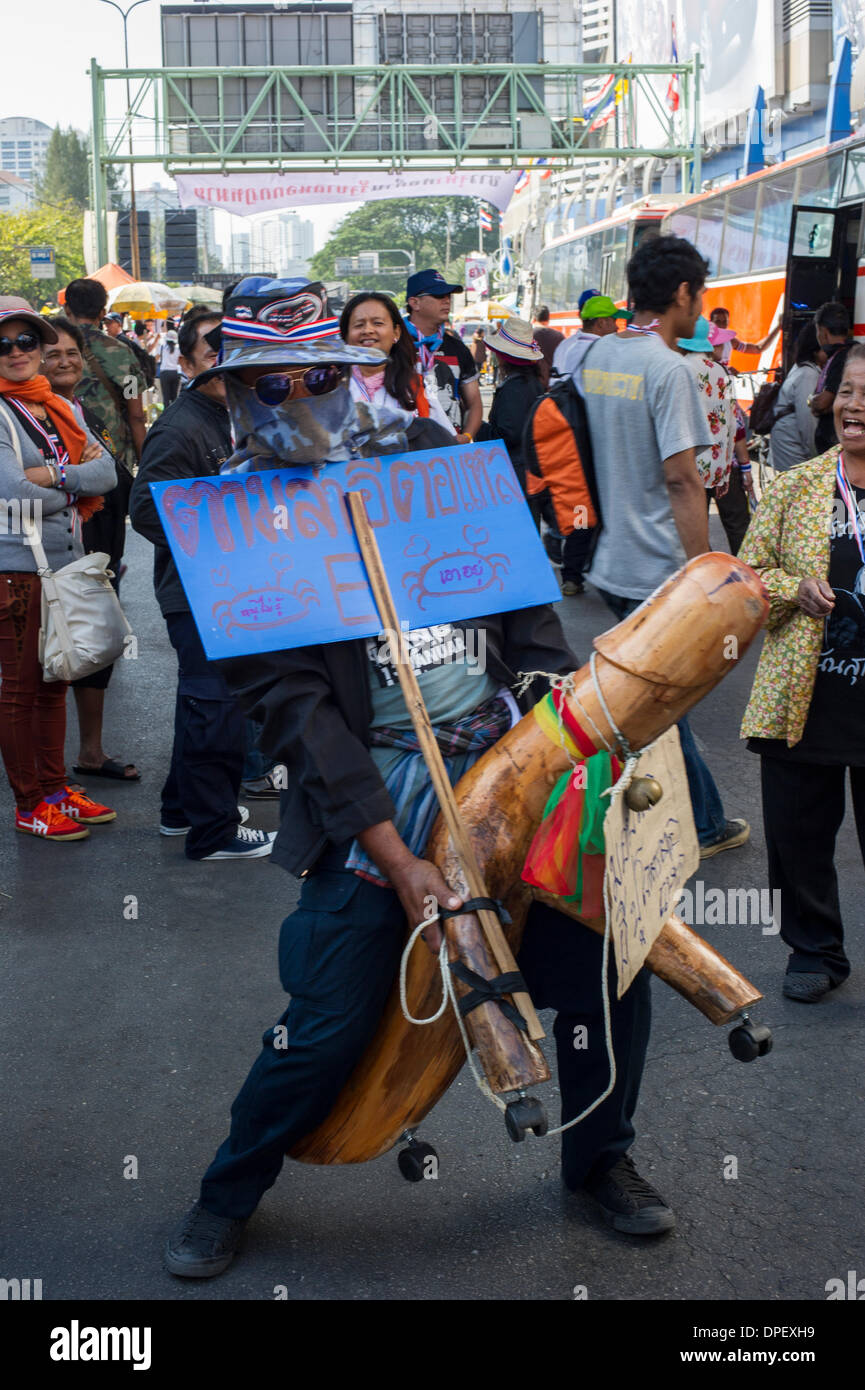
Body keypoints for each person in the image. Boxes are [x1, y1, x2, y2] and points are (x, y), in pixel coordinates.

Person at [164, 277, 675, 1281]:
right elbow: (297, 713)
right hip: (377, 794)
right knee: (323, 1018)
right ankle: (229, 1186)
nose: (295, 395)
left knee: (600, 972)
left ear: (351, 373)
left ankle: (600, 1160)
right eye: (266, 383)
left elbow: (524, 598)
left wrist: (544, 706)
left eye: (316, 374)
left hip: (509, 760)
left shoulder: (434, 458)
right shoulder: (233, 529)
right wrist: (396, 859)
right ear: (231, 390)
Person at [580, 236, 750, 859]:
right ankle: (697, 824)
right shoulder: (669, 369)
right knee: (662, 705)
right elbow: (683, 480)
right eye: (699, 294)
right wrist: (705, 574)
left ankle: (691, 818)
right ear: (682, 293)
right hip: (656, 565)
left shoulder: (599, 355)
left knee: (653, 700)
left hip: (610, 558)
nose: (700, 307)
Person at [740, 345, 865, 1002]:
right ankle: (813, 950)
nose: (855, 405)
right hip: (803, 694)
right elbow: (746, 577)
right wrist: (793, 587)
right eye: (846, 391)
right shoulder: (795, 486)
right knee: (798, 837)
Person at [129, 307, 273, 861]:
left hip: (233, 587)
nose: (228, 362)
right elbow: (145, 510)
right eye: (214, 353)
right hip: (199, 592)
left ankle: (180, 812)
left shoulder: (240, 412)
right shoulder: (181, 425)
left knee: (205, 704)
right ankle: (213, 833)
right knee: (215, 707)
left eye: (236, 350)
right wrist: (221, 523)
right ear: (185, 362)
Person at [0, 297, 117, 840]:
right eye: (3, 344)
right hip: (16, 570)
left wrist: (53, 476)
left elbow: (109, 474)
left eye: (26, 341)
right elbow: (12, 493)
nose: (17, 352)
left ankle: (53, 788)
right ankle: (29, 803)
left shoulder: (59, 406)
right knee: (22, 690)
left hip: (61, 565)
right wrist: (72, 478)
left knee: (53, 681)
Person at [41, 316, 140, 781]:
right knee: (55, 657)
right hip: (62, 555)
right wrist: (82, 477)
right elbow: (57, 482)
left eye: (72, 353)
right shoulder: (33, 417)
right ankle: (45, 779)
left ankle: (91, 754)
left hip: (100, 551)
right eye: (53, 353)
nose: (64, 361)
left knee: (96, 650)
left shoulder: (79, 409)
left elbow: (105, 474)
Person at [677, 315, 749, 556]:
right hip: (716, 468)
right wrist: (726, 472)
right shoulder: (721, 372)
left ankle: (703, 575)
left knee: (695, 531)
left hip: (686, 468)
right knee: (737, 526)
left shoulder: (678, 369)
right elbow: (731, 423)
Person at [339, 291, 456, 438]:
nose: (368, 330)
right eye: (358, 325)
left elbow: (445, 442)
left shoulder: (415, 386)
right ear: (346, 336)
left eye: (378, 323)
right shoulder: (333, 386)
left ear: (396, 333)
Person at [63, 279, 147, 476]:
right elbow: (135, 414)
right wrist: (145, 468)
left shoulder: (53, 352)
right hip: (115, 454)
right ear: (102, 312)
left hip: (68, 455)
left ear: (67, 309)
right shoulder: (122, 353)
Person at [403, 268, 482, 441]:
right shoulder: (395, 343)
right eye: (439, 296)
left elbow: (474, 401)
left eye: (449, 296)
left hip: (449, 450)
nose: (447, 301)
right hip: (408, 451)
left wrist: (466, 436)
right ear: (414, 303)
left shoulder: (457, 347)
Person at [477, 317, 546, 493]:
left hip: (513, 477)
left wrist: (476, 425)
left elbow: (507, 436)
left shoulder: (513, 389)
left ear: (503, 356)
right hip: (529, 473)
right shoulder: (533, 382)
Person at [768, 321, 824, 473]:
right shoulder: (808, 375)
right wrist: (817, 457)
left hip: (786, 441)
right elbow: (807, 422)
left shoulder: (801, 367)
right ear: (815, 350)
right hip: (792, 446)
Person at [552, 294, 631, 380]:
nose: (617, 327)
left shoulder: (567, 346)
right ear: (601, 323)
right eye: (614, 321)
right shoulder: (606, 352)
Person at [811, 302, 856, 454]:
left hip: (835, 442)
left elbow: (821, 404)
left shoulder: (841, 357)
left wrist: (812, 401)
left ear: (823, 332)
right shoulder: (853, 352)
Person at [708, 306, 781, 367]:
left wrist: (778, 327)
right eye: (718, 321)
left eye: (724, 322)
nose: (721, 325)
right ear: (711, 322)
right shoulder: (703, 340)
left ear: (728, 323)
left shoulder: (731, 341)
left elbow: (758, 348)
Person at [104, 311, 157, 391]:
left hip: (129, 383)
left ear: (119, 324)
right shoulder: (119, 340)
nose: (107, 326)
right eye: (106, 323)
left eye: (110, 323)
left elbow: (128, 368)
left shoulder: (121, 341)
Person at [157, 319, 182, 407]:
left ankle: (166, 415)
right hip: (175, 373)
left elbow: (157, 358)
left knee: (166, 397)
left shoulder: (162, 347)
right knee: (174, 396)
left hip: (164, 373)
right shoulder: (178, 349)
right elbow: (180, 361)